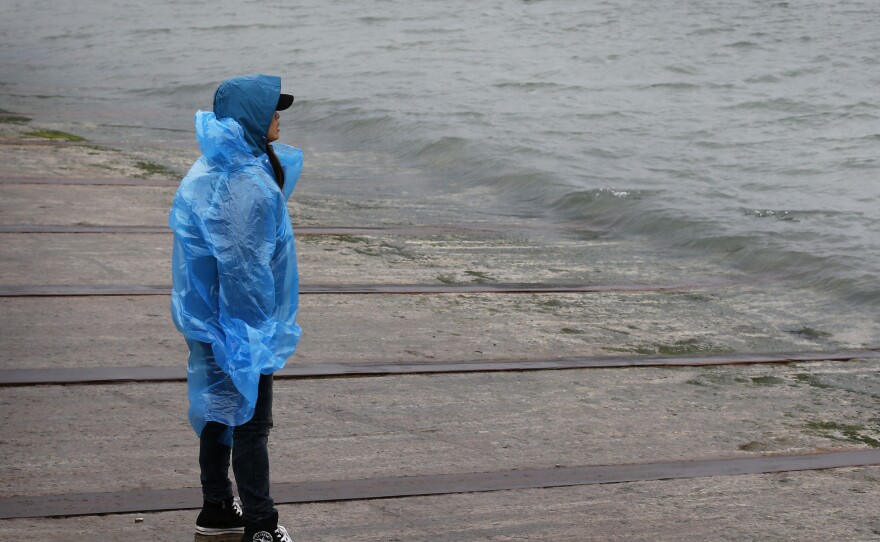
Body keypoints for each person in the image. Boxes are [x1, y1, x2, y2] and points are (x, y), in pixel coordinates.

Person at [169, 74, 303, 542]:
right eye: (272, 109)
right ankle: (262, 526)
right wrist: (253, 338)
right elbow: (245, 267)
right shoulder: (244, 181)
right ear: (251, 118)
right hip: (240, 324)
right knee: (250, 423)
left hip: (207, 321)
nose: (279, 115)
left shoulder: (209, 169)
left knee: (219, 409)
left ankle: (217, 508)